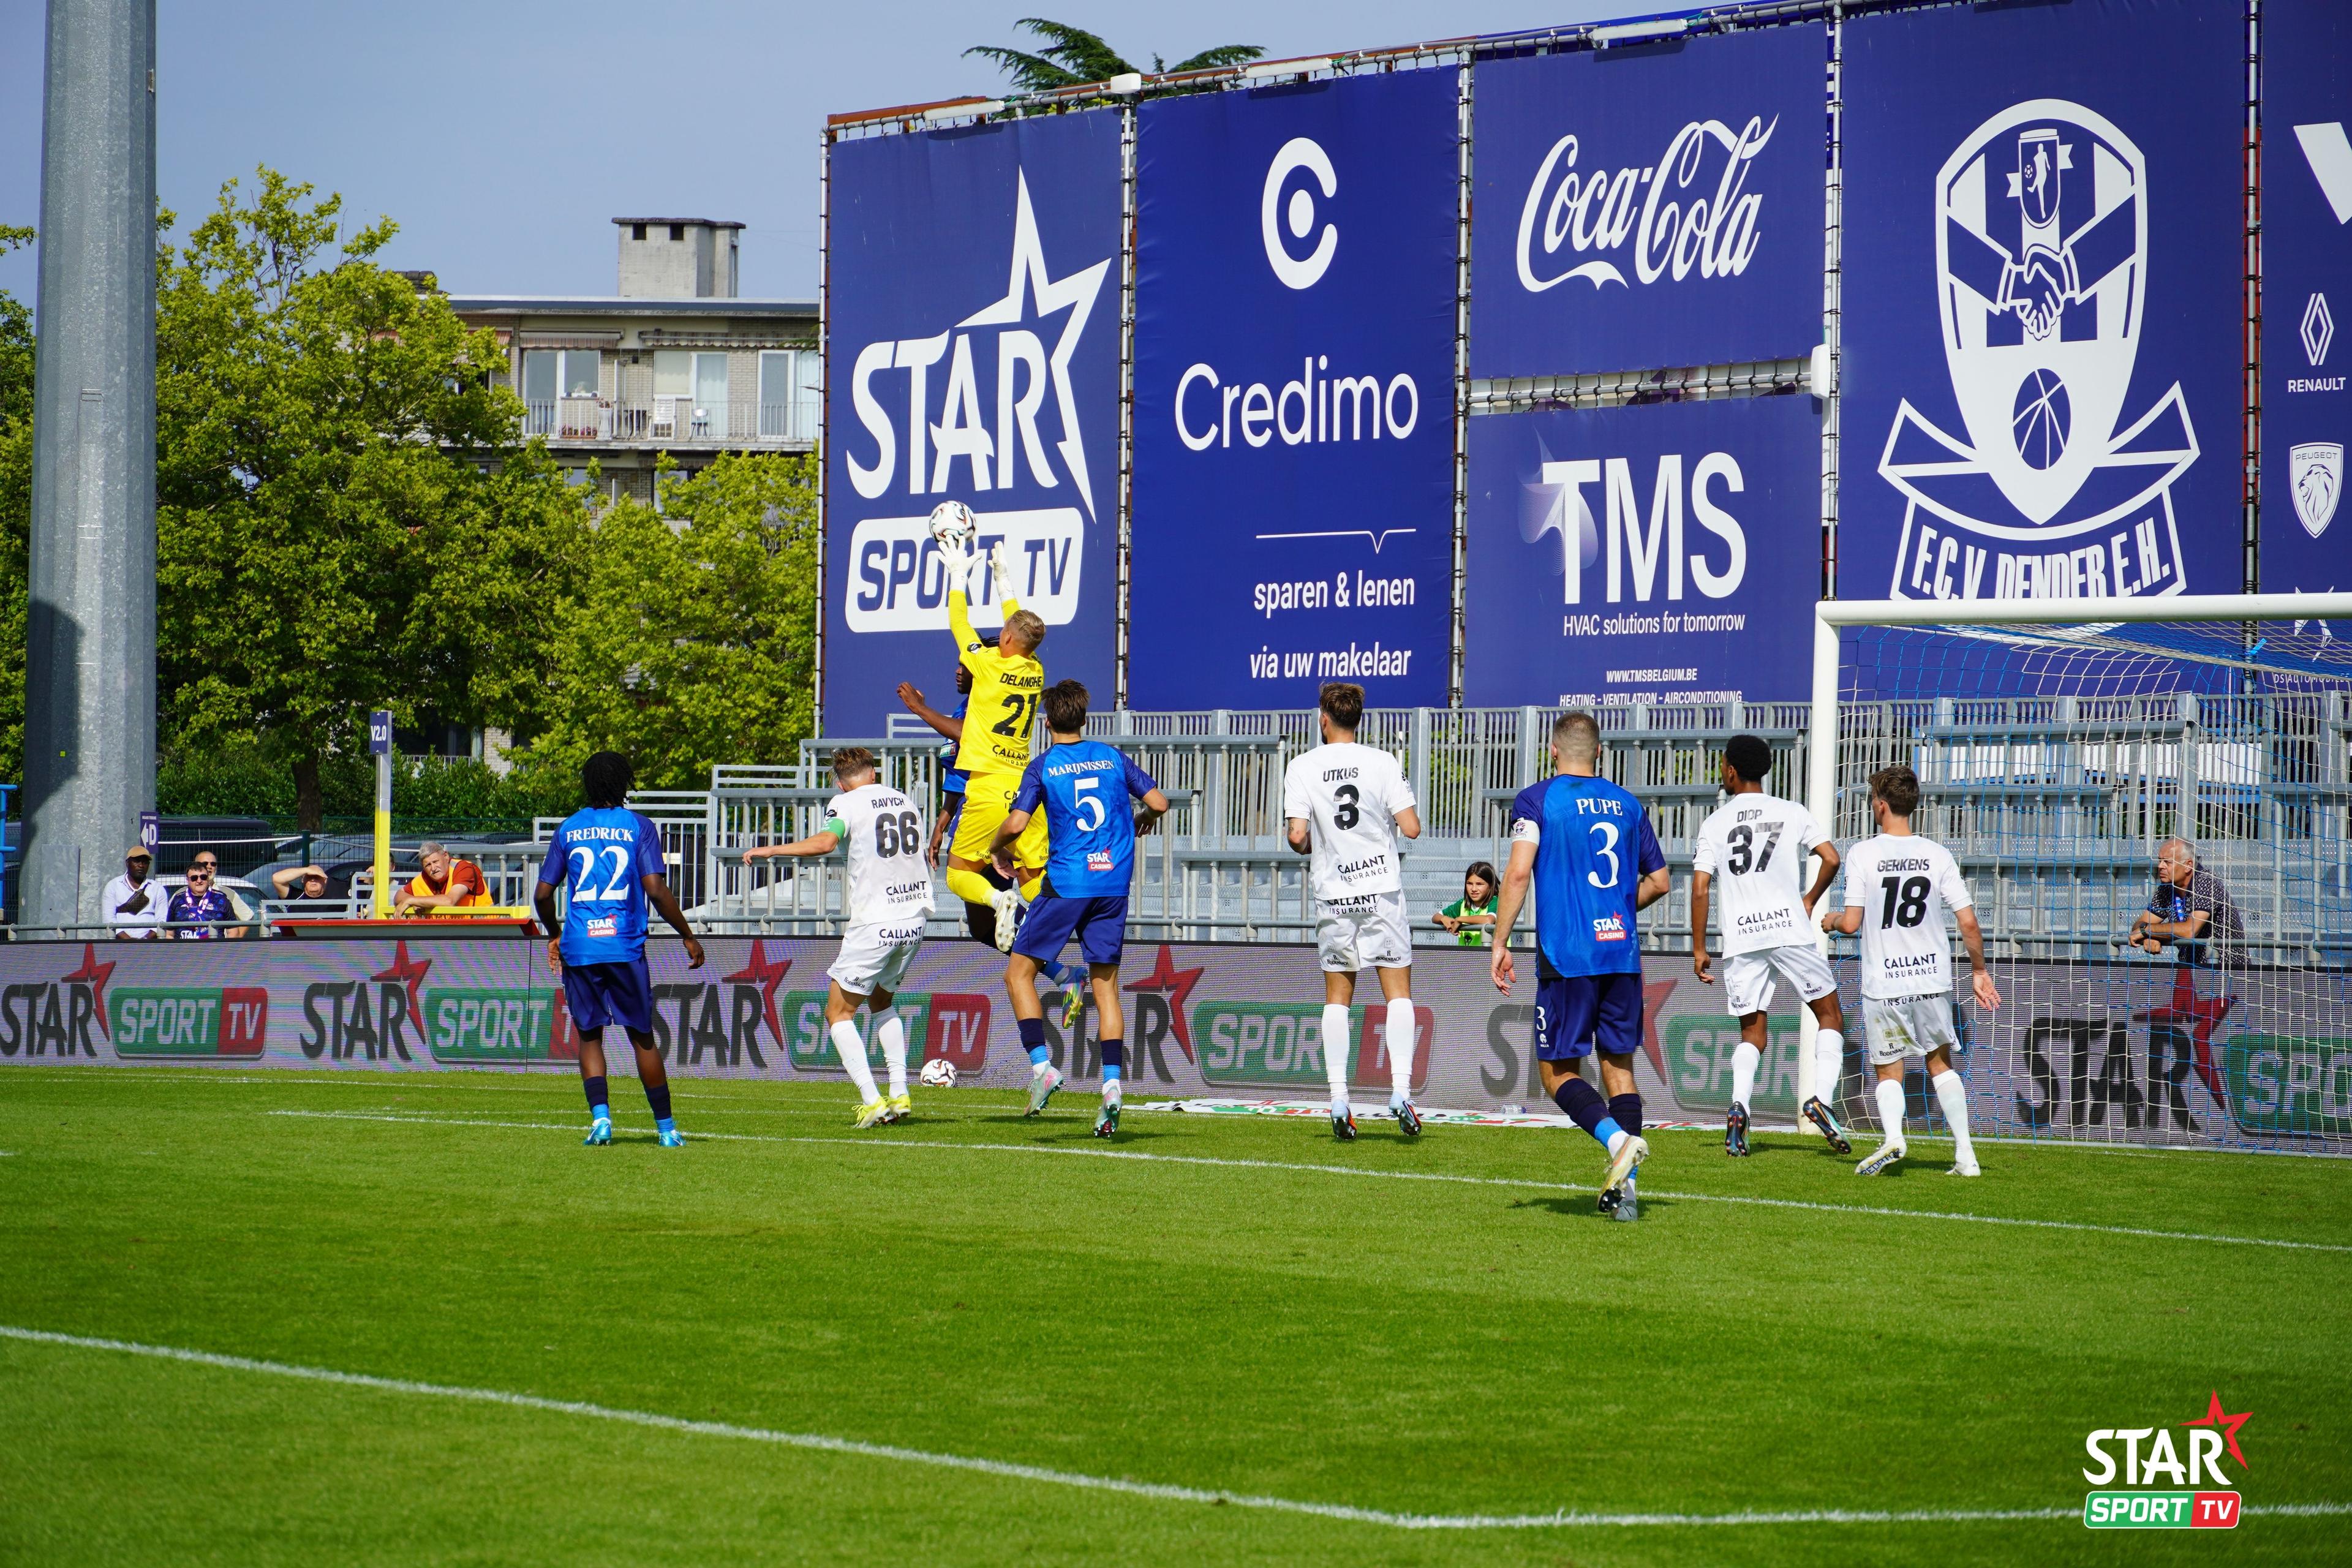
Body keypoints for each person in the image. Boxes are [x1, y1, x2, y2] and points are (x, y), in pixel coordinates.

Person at [1491, 712, 1670, 1218]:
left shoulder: (1537, 799)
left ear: (1552, 750)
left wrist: (1500, 941)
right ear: (1600, 752)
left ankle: (1616, 1143)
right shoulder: (1629, 804)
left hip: (1569, 955)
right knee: (1619, 1069)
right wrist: (1613, 908)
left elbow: (1519, 871)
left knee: (1556, 1073)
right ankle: (1627, 1198)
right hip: (1622, 954)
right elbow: (1659, 882)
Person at [991, 679, 1169, 1136]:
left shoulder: (1045, 765)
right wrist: (1142, 819)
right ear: (1084, 718)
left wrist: (997, 848)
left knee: (1018, 974)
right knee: (1105, 987)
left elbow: (1017, 821)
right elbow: (1160, 802)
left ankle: (1042, 1070)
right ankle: (1112, 1087)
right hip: (1113, 883)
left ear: (1046, 721)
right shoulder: (1111, 756)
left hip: (1069, 883)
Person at [1820, 764, 2001, 1178]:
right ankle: (1966, 1156)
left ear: (1880, 806)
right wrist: (1978, 971)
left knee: (1889, 1068)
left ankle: (1894, 1138)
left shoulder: (1863, 853)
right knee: (1940, 1064)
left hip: (1885, 982)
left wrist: (1830, 921)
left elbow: (1850, 923)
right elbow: (1968, 922)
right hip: (1932, 979)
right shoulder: (1938, 854)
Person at [745, 747, 935, 1128]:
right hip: (915, 918)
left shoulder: (844, 802)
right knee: (882, 1001)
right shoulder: (904, 800)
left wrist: (773, 849)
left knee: (838, 1012)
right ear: (874, 773)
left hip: (875, 922)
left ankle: (872, 1101)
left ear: (838, 781)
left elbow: (826, 843)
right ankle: (899, 1093)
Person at [532, 751, 707, 1148]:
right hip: (623, 944)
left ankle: (602, 1122)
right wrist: (687, 934)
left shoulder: (568, 829)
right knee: (641, 1036)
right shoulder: (638, 826)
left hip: (580, 946)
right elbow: (655, 890)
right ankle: (666, 1130)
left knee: (589, 1036)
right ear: (623, 784)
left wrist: (555, 933)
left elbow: (543, 894)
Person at [1689, 734, 1850, 1158]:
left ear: (1732, 770)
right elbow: (1832, 858)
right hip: (1788, 931)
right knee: (1829, 1015)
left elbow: (1701, 887)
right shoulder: (1791, 812)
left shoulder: (1715, 823)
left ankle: (1740, 1107)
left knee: (1752, 1032)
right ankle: (1822, 1100)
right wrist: (1811, 898)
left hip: (1742, 937)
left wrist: (1700, 947)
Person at [903, 663, 1087, 1026]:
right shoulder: (973, 704)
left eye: (965, 666)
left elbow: (967, 737)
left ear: (985, 669)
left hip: (991, 808)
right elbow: (961, 769)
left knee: (977, 888)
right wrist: (944, 819)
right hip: (1004, 801)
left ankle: (1072, 954)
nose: (957, 672)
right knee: (987, 924)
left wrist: (921, 710)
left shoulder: (988, 701)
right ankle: (1067, 973)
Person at [1283, 682, 1427, 1140]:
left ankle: (1339, 1098)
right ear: (1357, 719)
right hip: (1381, 889)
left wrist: (1316, 842)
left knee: (1337, 998)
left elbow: (1296, 837)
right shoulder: (1381, 761)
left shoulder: (1302, 765)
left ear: (1323, 718)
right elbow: (1412, 828)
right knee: (1397, 993)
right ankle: (1401, 1092)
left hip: (1335, 893)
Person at [935, 535, 1052, 956]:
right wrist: (1004, 582)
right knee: (1033, 873)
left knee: (958, 874)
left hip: (986, 786)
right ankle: (1055, 935)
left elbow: (959, 626)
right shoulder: (1036, 669)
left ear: (1003, 640)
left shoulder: (984, 666)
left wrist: (957, 577)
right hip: (1025, 789)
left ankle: (997, 899)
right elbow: (1020, 627)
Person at [2127, 837, 2246, 970]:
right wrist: (2150, 936)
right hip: (2190, 968)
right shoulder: (2167, 887)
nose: (2160, 866)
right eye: (2160, 861)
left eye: (2167, 862)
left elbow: (2189, 930)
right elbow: (2139, 924)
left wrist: (2148, 931)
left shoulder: (2206, 883)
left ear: (2188, 865)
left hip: (2226, 972)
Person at [167, 853, 252, 940]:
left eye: (213, 864)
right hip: (186, 951)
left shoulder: (225, 896)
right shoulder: (178, 897)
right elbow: (168, 932)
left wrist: (231, 942)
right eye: (205, 864)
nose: (210, 867)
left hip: (215, 951)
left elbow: (247, 918)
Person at [396, 842, 491, 914]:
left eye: (436, 862)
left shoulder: (464, 868)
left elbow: (450, 901)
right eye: (428, 865)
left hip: (484, 930)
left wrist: (413, 900)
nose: (433, 868)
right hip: (451, 932)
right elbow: (399, 895)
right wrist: (414, 903)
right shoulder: (425, 876)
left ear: (446, 856)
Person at [102, 846, 167, 939]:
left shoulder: (157, 888)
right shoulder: (113, 886)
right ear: (127, 863)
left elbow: (162, 920)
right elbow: (109, 919)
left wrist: (144, 940)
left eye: (145, 862)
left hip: (150, 944)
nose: (141, 865)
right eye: (137, 861)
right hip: (120, 944)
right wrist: (128, 941)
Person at [1434, 862, 1499, 948]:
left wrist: (1460, 919)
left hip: (1491, 959)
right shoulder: (1462, 904)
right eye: (1469, 884)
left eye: (1480, 884)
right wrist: (1444, 918)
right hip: (1466, 958)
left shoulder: (1496, 902)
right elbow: (1435, 917)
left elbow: (1488, 920)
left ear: (1491, 885)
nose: (1474, 889)